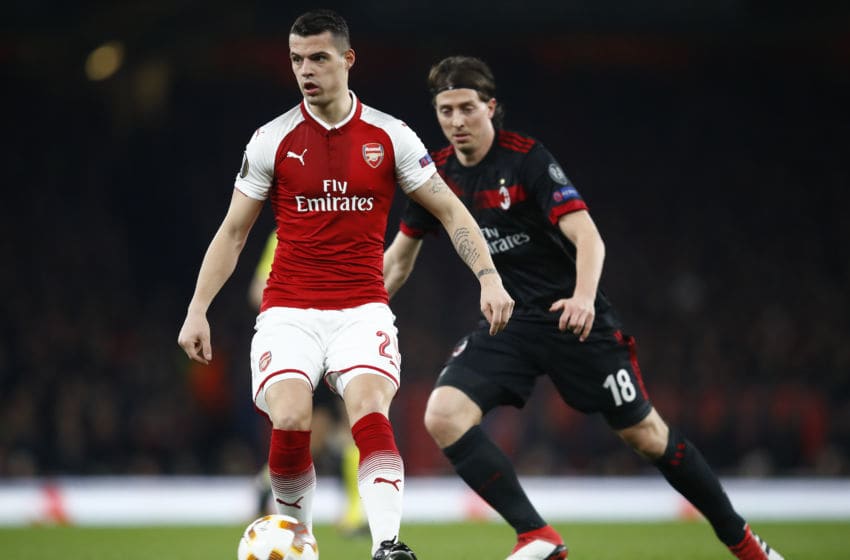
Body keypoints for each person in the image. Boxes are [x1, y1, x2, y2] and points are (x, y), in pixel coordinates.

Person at [382, 56, 784, 560]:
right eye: (445, 111)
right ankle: (537, 536)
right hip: (510, 321)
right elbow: (398, 260)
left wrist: (584, 296)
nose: (457, 121)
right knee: (443, 414)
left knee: (647, 435)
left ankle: (746, 545)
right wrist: (356, 312)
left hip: (574, 319)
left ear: (490, 107)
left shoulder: (526, 159)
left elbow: (588, 236)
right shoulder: (434, 176)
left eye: (467, 108)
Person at [176, 12, 514, 560]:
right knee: (289, 417)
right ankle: (298, 542)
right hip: (289, 308)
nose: (305, 70)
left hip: (362, 308)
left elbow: (451, 212)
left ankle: (387, 546)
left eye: (318, 58)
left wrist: (489, 276)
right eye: (296, 59)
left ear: (347, 60)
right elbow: (234, 232)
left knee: (368, 410)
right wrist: (198, 309)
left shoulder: (390, 136)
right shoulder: (272, 140)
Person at [250, 231, 367, 536]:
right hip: (304, 346)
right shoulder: (287, 233)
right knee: (323, 432)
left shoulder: (342, 223)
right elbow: (257, 291)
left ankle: (355, 515)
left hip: (335, 341)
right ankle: (269, 484)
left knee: (340, 425)